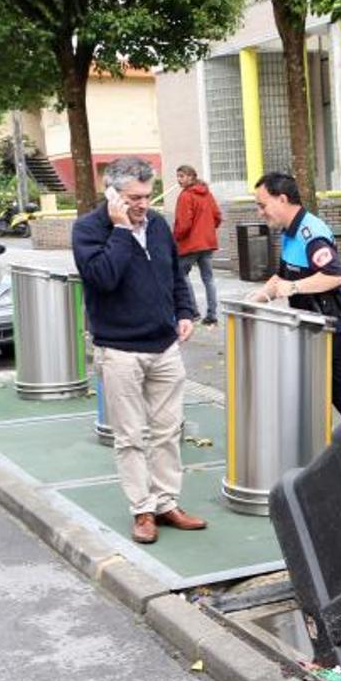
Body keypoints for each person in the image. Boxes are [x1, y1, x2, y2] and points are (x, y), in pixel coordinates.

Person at [72, 156, 208, 545]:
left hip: (164, 345)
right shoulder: (88, 230)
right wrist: (120, 230)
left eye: (147, 196)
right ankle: (142, 510)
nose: (143, 204)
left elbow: (173, 274)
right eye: (134, 197)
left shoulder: (159, 225)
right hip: (119, 350)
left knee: (168, 431)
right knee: (130, 436)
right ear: (112, 194)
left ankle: (166, 503)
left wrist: (185, 312)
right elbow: (102, 278)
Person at [248, 172, 341, 416]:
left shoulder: (311, 233)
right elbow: (281, 277)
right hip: (316, 326)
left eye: (262, 205)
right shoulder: (289, 232)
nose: (260, 212)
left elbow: (335, 275)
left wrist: (295, 287)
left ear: (282, 199)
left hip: (329, 326)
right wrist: (258, 298)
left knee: (304, 391)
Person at [172, 164, 223, 325]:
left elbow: (184, 224)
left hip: (190, 244)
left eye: (182, 176)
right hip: (207, 243)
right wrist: (207, 230)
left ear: (191, 177)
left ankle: (193, 311)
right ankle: (212, 314)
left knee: (181, 275)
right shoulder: (207, 194)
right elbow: (217, 216)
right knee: (208, 278)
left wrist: (176, 238)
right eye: (178, 176)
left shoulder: (186, 196)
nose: (179, 180)